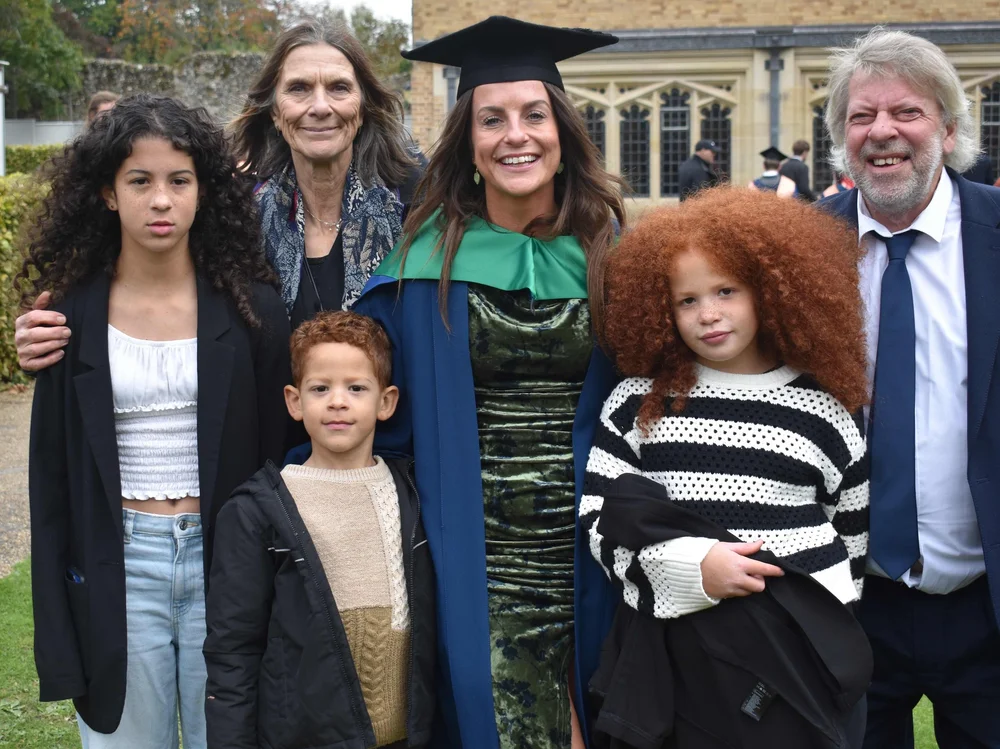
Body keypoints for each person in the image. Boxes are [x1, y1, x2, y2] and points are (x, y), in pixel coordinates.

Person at [352, 16, 626, 749]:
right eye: (492, 119)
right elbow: (369, 399)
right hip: (476, 553)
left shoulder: (615, 258)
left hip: (595, 545)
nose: (516, 135)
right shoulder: (423, 265)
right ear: (469, 144)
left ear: (563, 132)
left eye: (535, 115)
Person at [19, 95, 291, 749]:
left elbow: (279, 459)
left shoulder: (252, 310)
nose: (161, 200)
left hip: (226, 560)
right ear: (108, 193)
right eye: (139, 181)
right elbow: (50, 481)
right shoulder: (69, 317)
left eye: (180, 180)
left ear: (205, 190)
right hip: (119, 561)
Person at [580, 187, 871, 747]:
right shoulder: (638, 402)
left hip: (796, 657)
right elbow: (599, 521)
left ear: (770, 289)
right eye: (686, 300)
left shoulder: (826, 409)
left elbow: (851, 535)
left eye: (726, 291)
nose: (708, 314)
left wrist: (826, 616)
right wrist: (694, 571)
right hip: (680, 655)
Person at [14, 18, 417, 371]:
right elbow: (147, 281)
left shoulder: (413, 204)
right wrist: (56, 330)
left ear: (363, 106)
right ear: (274, 112)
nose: (320, 106)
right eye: (298, 88)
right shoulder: (237, 212)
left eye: (339, 88)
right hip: (269, 430)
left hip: (398, 429)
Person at [820, 28, 1000, 747]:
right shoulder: (797, 247)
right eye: (861, 116)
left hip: (985, 605)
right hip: (846, 604)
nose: (881, 131)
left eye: (907, 112)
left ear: (949, 130)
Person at [203, 311, 436, 749]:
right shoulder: (256, 511)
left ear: (386, 402)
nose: (338, 402)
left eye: (356, 388)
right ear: (294, 402)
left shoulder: (415, 494)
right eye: (320, 388)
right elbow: (233, 650)